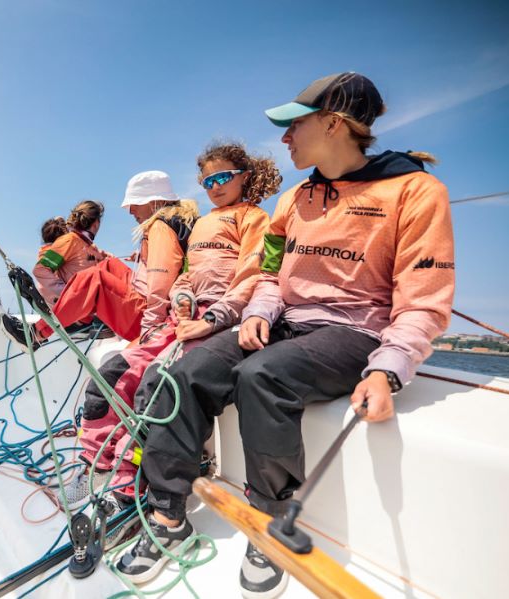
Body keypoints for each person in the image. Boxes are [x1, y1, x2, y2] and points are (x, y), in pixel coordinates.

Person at [116, 72, 455, 596]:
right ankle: (168, 515)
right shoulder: (295, 198)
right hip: (283, 321)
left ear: (334, 123)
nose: (283, 139)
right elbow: (273, 274)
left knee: (263, 375)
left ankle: (268, 524)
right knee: (184, 372)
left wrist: (390, 368)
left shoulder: (415, 191)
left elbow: (424, 297)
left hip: (353, 330)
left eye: (294, 125)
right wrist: (258, 311)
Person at [63, 143, 280, 522]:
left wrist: (213, 319)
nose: (214, 185)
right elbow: (185, 275)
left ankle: (128, 486)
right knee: (109, 375)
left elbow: (253, 274)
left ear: (245, 176)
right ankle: (97, 465)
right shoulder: (203, 224)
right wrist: (181, 298)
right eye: (207, 179)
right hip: (181, 320)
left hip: (216, 320)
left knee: (155, 388)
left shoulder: (253, 218)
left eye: (223, 177)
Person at [1, 171, 198, 349]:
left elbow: (159, 285)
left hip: (150, 320)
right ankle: (75, 309)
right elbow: (42, 268)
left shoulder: (160, 229)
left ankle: (36, 334)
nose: (130, 211)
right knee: (108, 265)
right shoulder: (173, 224)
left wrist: (150, 332)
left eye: (135, 203)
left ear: (154, 201)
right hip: (150, 307)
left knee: (94, 278)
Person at [32, 203, 105, 306]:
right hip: (75, 309)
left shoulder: (83, 244)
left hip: (80, 305)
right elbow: (40, 270)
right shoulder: (69, 241)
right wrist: (69, 292)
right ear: (96, 223)